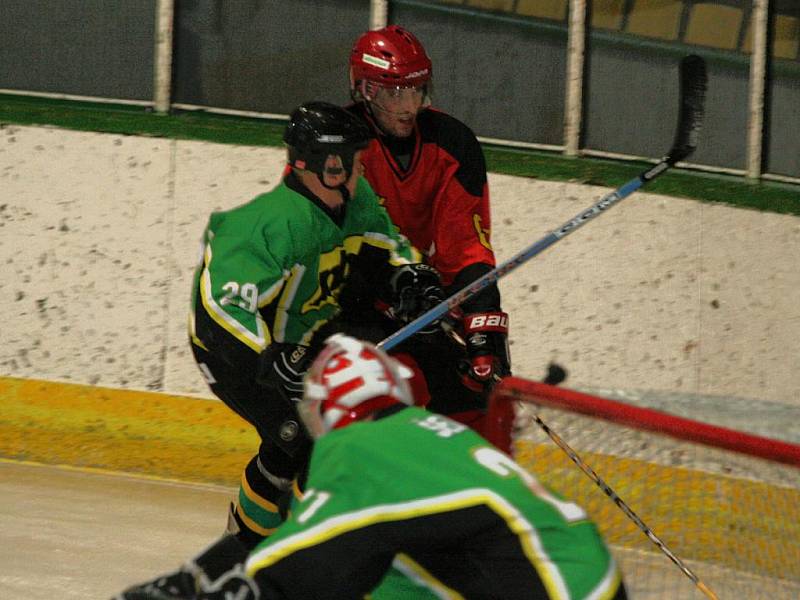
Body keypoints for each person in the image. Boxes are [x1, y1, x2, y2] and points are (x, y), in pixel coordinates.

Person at [114, 101, 446, 599]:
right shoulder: (268, 223)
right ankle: (256, 555)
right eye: (353, 159)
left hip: (302, 344)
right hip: (233, 352)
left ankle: (250, 552)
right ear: (326, 165)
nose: (361, 167)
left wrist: (408, 277)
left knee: (301, 444)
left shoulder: (355, 202)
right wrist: (271, 360)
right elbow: (220, 308)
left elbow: (387, 248)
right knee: (304, 438)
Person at [137, 334, 626, 599]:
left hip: (561, 588)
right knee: (386, 566)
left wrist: (220, 581)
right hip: (590, 573)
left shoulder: (357, 446)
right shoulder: (417, 430)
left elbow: (317, 543)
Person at [343, 25, 512, 434]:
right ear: (366, 90)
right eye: (396, 92)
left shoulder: (453, 143)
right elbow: (331, 246)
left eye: (416, 91)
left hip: (417, 299)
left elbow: (466, 247)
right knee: (358, 417)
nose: (409, 106)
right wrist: (387, 286)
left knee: (474, 402)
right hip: (345, 302)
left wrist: (481, 318)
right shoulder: (339, 147)